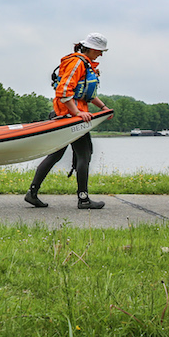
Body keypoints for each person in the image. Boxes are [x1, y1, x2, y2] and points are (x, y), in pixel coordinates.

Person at [25, 33, 112, 210]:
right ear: (92, 48)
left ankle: (32, 193)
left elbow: (87, 94)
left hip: (69, 116)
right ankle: (83, 199)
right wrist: (77, 113)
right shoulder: (78, 63)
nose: (101, 55)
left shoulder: (85, 64)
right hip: (70, 119)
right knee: (84, 155)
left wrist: (103, 108)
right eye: (100, 51)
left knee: (56, 155)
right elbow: (64, 91)